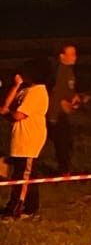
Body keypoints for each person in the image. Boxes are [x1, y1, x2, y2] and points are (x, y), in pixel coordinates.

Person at [2, 67, 49, 220]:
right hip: (19, 139)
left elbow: (19, 114)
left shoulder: (38, 92)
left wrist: (9, 114)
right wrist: (16, 86)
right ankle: (30, 209)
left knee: (24, 176)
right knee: (25, 175)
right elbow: (5, 108)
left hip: (29, 138)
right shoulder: (26, 90)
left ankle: (15, 208)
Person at [46, 43, 86, 177]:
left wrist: (74, 97)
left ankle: (64, 169)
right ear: (62, 56)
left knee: (65, 142)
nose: (75, 57)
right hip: (55, 114)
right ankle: (63, 171)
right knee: (62, 142)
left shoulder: (69, 70)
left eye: (75, 53)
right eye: (71, 54)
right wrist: (55, 113)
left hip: (61, 114)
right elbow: (56, 93)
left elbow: (67, 90)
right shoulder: (60, 71)